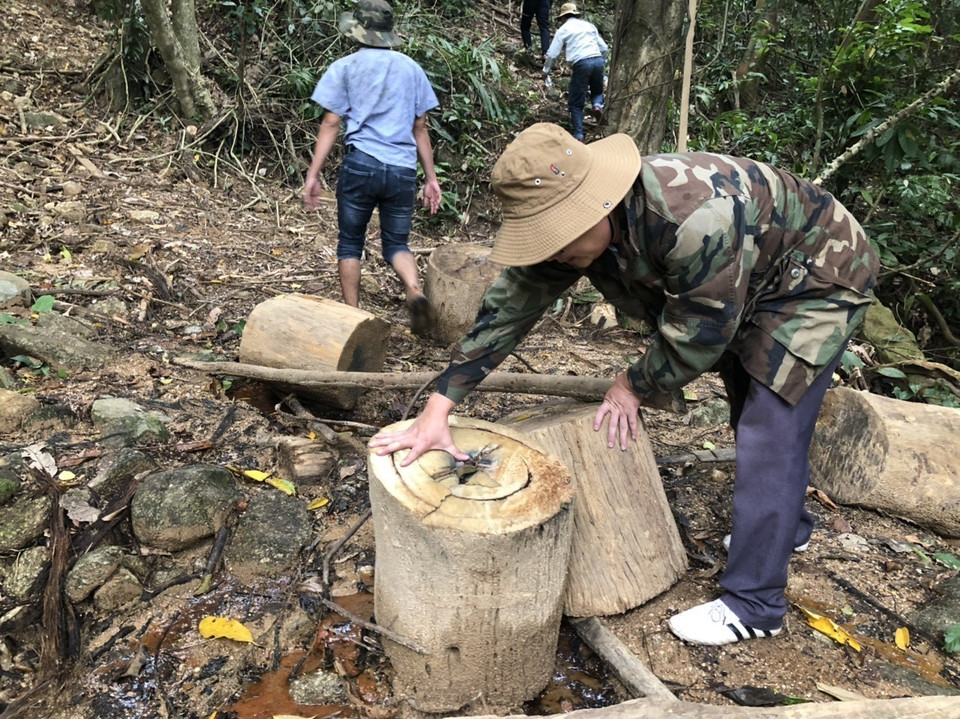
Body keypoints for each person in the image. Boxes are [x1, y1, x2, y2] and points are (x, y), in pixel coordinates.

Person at [369, 122, 879, 646]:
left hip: (818, 275)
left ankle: (756, 602)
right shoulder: (576, 239)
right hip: (751, 274)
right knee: (746, 396)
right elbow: (506, 313)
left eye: (559, 236)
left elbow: (700, 333)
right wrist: (439, 406)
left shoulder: (696, 220)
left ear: (597, 206)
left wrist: (632, 385)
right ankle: (782, 531)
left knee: (770, 426)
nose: (555, 252)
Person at [303, 0, 442, 336]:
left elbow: (332, 122)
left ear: (359, 31)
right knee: (396, 243)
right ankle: (414, 288)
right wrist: (431, 179)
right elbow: (420, 127)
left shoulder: (345, 67)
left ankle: (353, 318)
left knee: (350, 242)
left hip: (361, 164)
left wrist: (313, 172)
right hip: (401, 170)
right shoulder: (411, 69)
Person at [542, 3, 607, 141]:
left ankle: (578, 135)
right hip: (598, 59)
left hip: (581, 63)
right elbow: (604, 48)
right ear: (575, 14)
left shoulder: (563, 29)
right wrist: (601, 62)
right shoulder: (589, 26)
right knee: (597, 92)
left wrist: (546, 71)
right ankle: (597, 106)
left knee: (575, 102)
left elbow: (552, 54)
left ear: (563, 17)